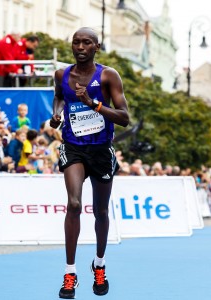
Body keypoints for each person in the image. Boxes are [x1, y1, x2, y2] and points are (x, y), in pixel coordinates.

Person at [49, 27, 129, 299]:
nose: (80, 47)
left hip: (101, 150)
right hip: (73, 147)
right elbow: (60, 96)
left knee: (101, 212)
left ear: (97, 47)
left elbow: (123, 116)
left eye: (86, 43)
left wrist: (92, 104)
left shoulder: (108, 75)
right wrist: (56, 114)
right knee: (73, 204)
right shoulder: (62, 74)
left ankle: (99, 264)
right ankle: (69, 273)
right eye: (76, 42)